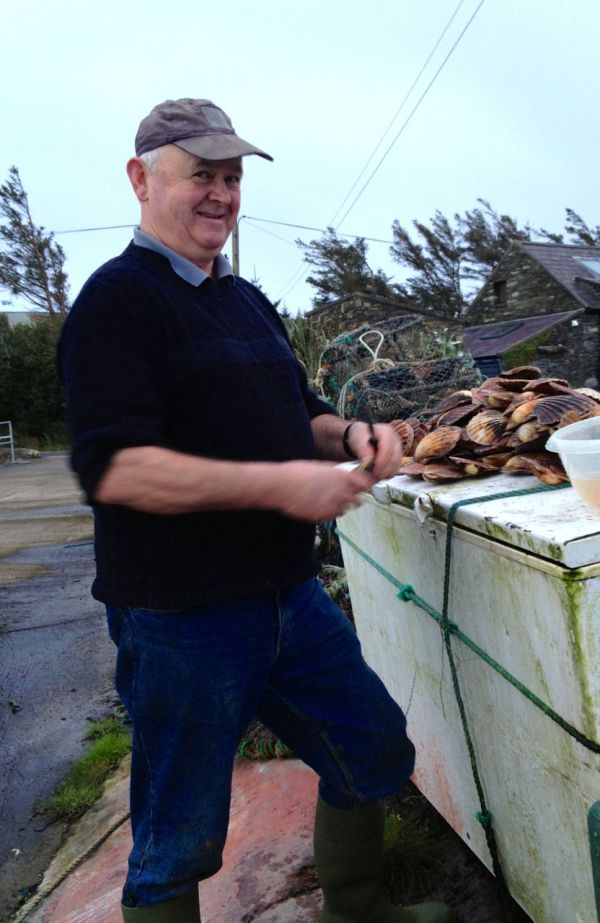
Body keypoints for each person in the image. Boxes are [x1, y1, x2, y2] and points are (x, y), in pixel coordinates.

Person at [58, 98, 454, 923]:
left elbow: (297, 411)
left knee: (372, 747)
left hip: (288, 597)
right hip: (181, 618)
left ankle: (356, 909)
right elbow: (116, 468)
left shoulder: (243, 300)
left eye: (232, 177)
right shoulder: (116, 303)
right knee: (177, 834)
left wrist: (350, 434)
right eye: (200, 174)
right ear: (140, 179)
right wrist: (282, 486)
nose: (222, 194)